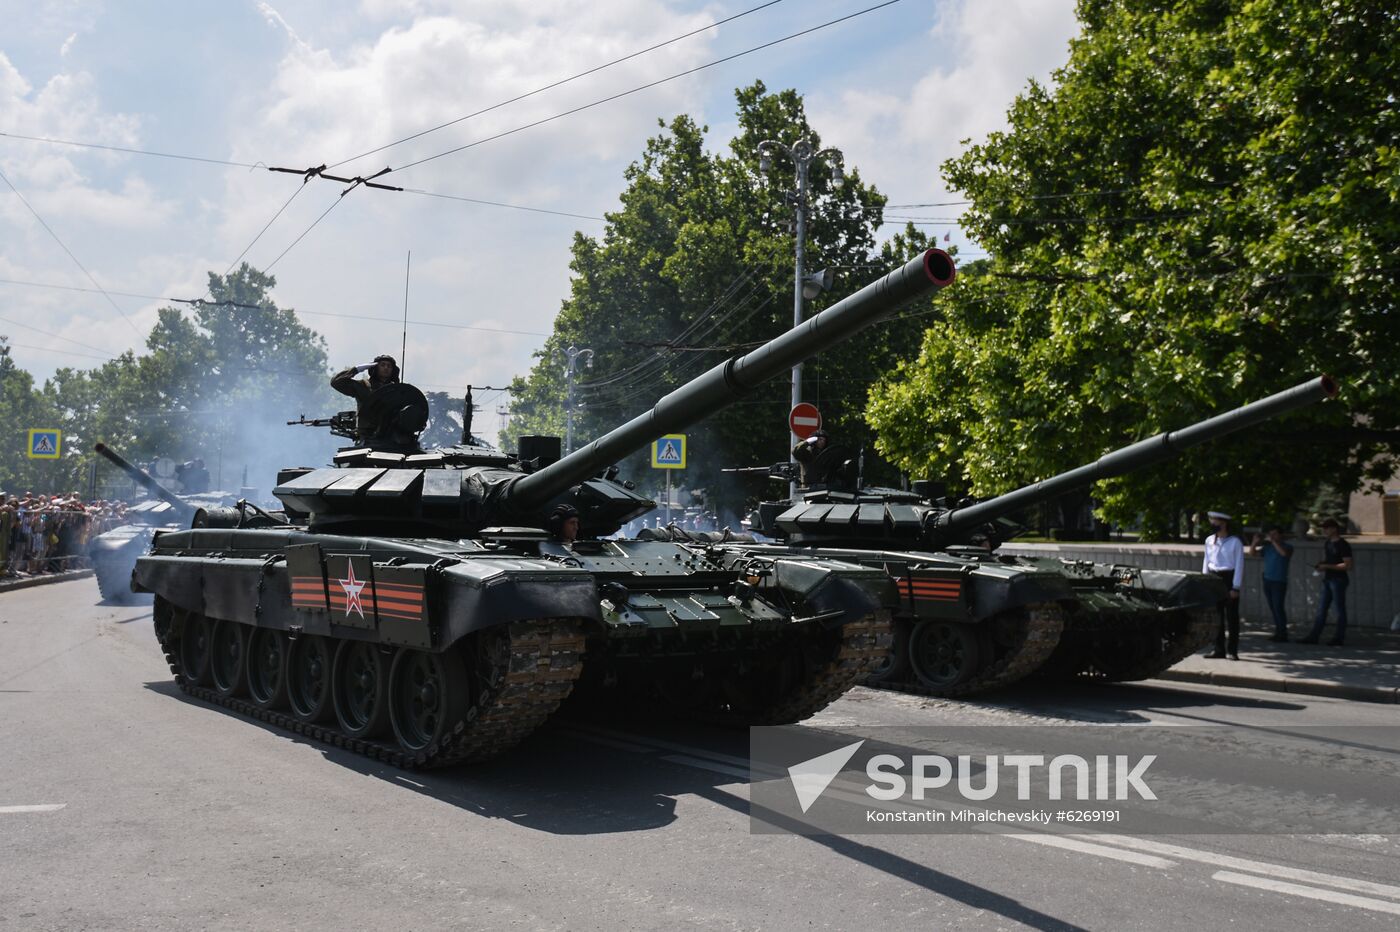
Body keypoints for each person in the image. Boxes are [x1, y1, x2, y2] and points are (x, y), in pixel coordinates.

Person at [329, 354, 428, 452]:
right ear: (375, 368)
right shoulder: (364, 387)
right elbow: (336, 383)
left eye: (389, 366)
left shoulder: (399, 392)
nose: (386, 368)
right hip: (370, 439)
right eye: (383, 365)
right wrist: (357, 369)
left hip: (398, 441)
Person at [1300, 518, 1354, 646]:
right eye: (1323, 528)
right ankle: (1314, 636)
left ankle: (1338, 638)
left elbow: (1348, 565)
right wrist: (1322, 565)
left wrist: (1327, 566)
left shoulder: (1343, 544)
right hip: (1328, 579)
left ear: (1334, 529)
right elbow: (1329, 560)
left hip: (1339, 580)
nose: (1324, 530)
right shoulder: (1328, 543)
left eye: (1326, 528)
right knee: (1321, 608)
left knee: (1339, 609)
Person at [1202, 510, 1244, 660]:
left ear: (1223, 523)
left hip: (1228, 578)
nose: (1212, 524)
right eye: (1211, 521)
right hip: (1214, 578)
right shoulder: (1209, 540)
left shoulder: (1235, 542)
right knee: (1216, 616)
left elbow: (1239, 565)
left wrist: (1235, 587)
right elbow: (1206, 562)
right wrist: (1205, 581)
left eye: (1215, 521)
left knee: (1231, 617)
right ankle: (1218, 649)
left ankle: (1232, 650)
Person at [1250, 526, 1294, 641]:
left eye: (1275, 534)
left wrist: (1273, 541)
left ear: (1281, 535)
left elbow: (1284, 554)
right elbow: (1253, 554)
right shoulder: (1267, 547)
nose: (1272, 536)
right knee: (1273, 607)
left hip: (1279, 581)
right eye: (1271, 534)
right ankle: (1278, 632)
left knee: (1278, 607)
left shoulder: (1287, 547)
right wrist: (1255, 542)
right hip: (1267, 580)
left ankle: (1282, 633)